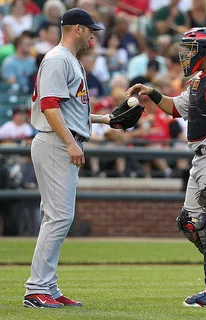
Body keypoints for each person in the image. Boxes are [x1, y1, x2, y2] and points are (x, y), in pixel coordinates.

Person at [127, 27, 206, 307]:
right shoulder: (200, 81)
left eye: (191, 49)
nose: (185, 55)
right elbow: (175, 108)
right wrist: (152, 92)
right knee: (188, 223)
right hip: (200, 158)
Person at [23, 7, 113, 308]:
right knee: (59, 217)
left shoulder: (68, 60)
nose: (92, 36)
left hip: (60, 141)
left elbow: (71, 110)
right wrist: (70, 144)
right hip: (55, 143)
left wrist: (106, 120)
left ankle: (47, 286)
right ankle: (37, 288)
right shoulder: (58, 59)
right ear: (77, 29)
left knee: (56, 217)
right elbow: (50, 106)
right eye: (90, 30)